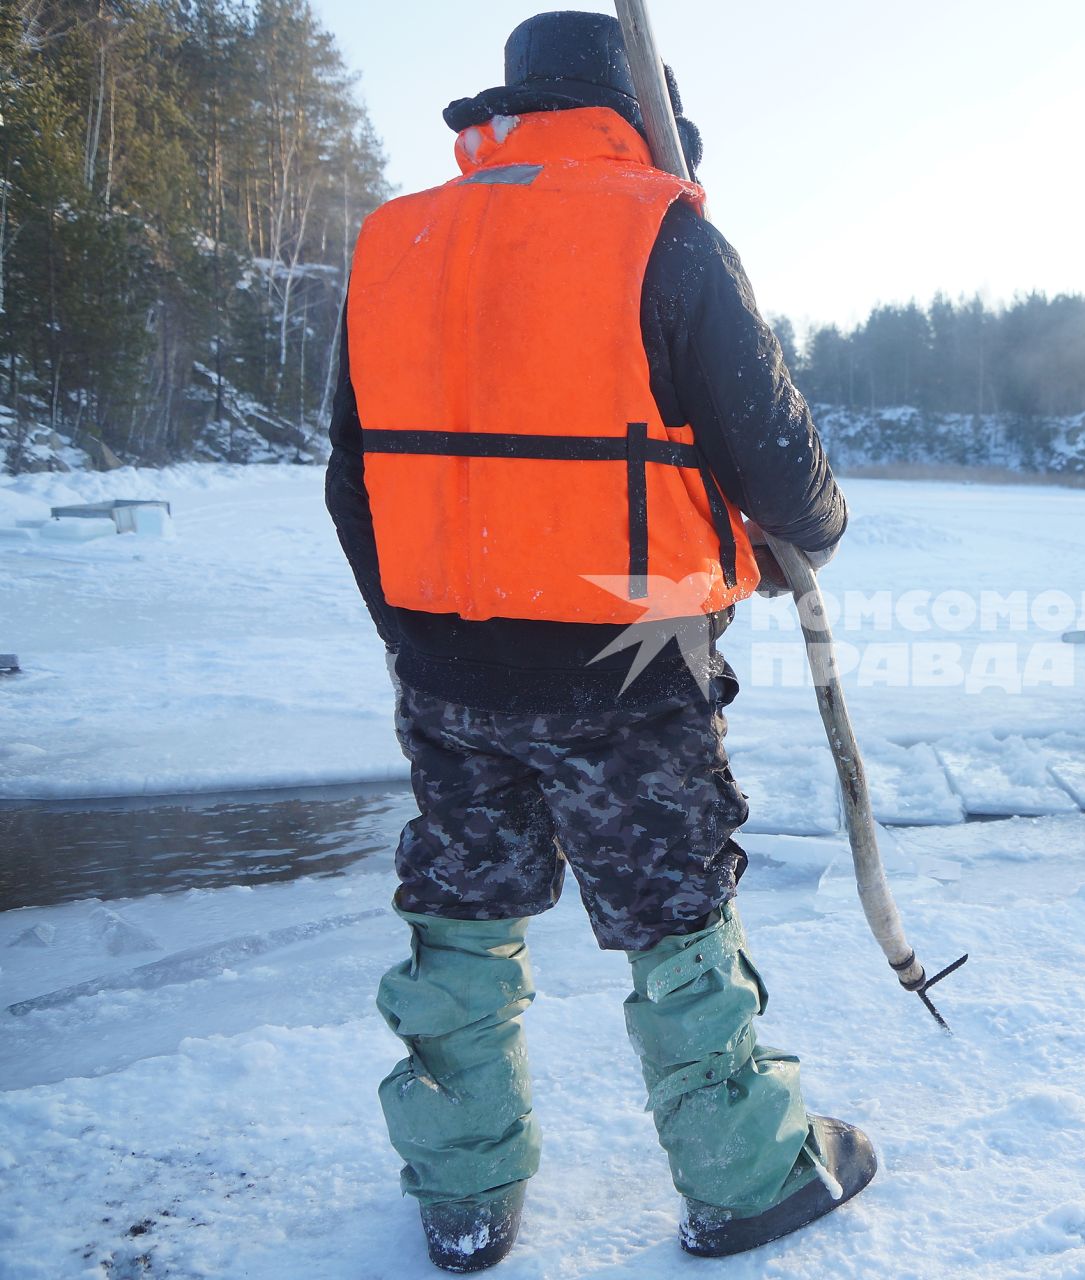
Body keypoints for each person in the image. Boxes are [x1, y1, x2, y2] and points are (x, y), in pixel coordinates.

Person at [324, 13, 870, 1273]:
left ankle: (462, 1194)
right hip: (628, 671)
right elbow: (786, 479)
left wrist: (419, 635)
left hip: (448, 667)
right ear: (643, 104)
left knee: (460, 915)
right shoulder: (664, 231)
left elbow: (353, 483)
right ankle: (741, 1176)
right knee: (678, 923)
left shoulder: (391, 242)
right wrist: (815, 533)